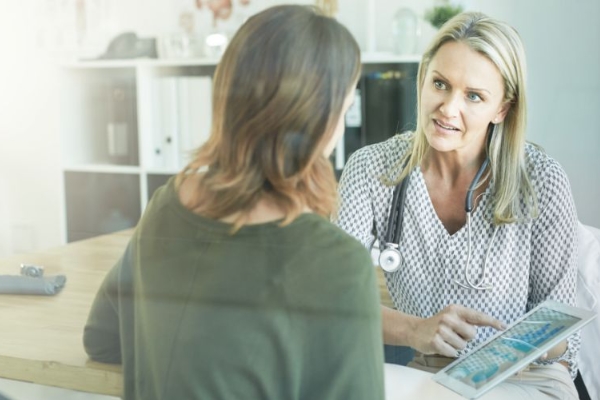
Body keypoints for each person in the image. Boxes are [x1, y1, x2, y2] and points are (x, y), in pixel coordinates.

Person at [83, 5, 384, 400]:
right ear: (317, 120)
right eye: (343, 110)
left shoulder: (164, 208)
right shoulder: (337, 263)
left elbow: (101, 339)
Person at [335, 11, 580, 399]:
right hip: (432, 375)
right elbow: (335, 302)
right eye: (440, 84)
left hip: (526, 376)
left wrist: (532, 341)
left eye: (474, 96)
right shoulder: (370, 170)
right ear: (423, 80)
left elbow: (563, 338)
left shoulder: (542, 181)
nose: (448, 108)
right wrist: (416, 331)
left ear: (502, 109)